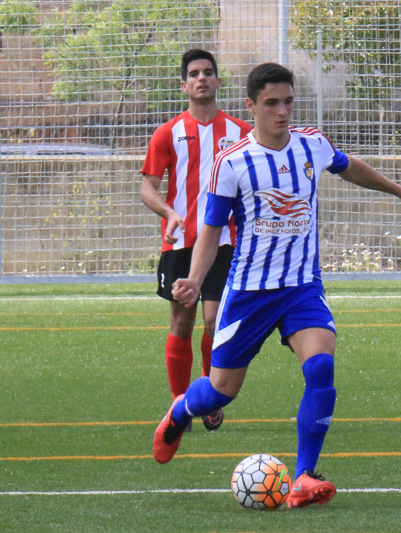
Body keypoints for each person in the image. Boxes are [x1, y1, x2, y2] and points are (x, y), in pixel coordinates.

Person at [152, 62, 401, 507]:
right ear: (251, 106)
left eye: (288, 101)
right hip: (249, 292)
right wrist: (193, 278)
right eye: (271, 103)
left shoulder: (312, 144)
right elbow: (211, 229)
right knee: (221, 391)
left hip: (302, 286)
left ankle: (304, 476)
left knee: (321, 367)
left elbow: (348, 166)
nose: (282, 111)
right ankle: (181, 411)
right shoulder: (233, 162)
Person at [141, 49, 252, 431]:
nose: (201, 78)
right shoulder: (167, 133)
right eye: (193, 74)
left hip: (225, 242)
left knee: (214, 320)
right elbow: (148, 188)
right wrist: (169, 212)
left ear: (218, 81)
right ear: (184, 85)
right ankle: (179, 403)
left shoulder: (241, 133)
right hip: (181, 243)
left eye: (207, 72)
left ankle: (207, 394)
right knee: (182, 321)